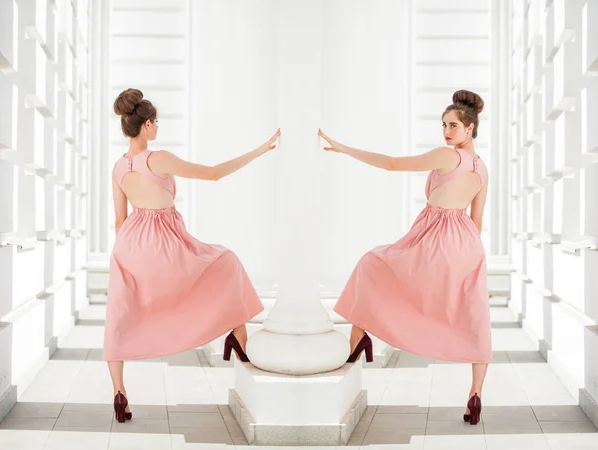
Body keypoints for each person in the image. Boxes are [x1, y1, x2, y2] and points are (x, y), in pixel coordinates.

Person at [103, 88, 280, 423]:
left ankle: (118, 392)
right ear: (146, 125)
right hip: (166, 241)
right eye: (156, 123)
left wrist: (127, 258)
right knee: (224, 261)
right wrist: (257, 152)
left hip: (128, 245)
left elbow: (119, 218)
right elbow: (212, 173)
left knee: (119, 316)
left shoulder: (117, 167)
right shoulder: (159, 158)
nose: (157, 128)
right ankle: (236, 333)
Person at [319, 90, 491, 426]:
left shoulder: (447, 156)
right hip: (468, 245)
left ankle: (360, 333)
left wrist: (344, 149)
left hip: (436, 236)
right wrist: (466, 259)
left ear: (470, 128)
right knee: (474, 317)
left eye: (454, 125)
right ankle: (476, 394)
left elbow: (392, 164)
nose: (447, 131)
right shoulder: (483, 169)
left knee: (373, 263)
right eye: (444, 124)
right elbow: (478, 221)